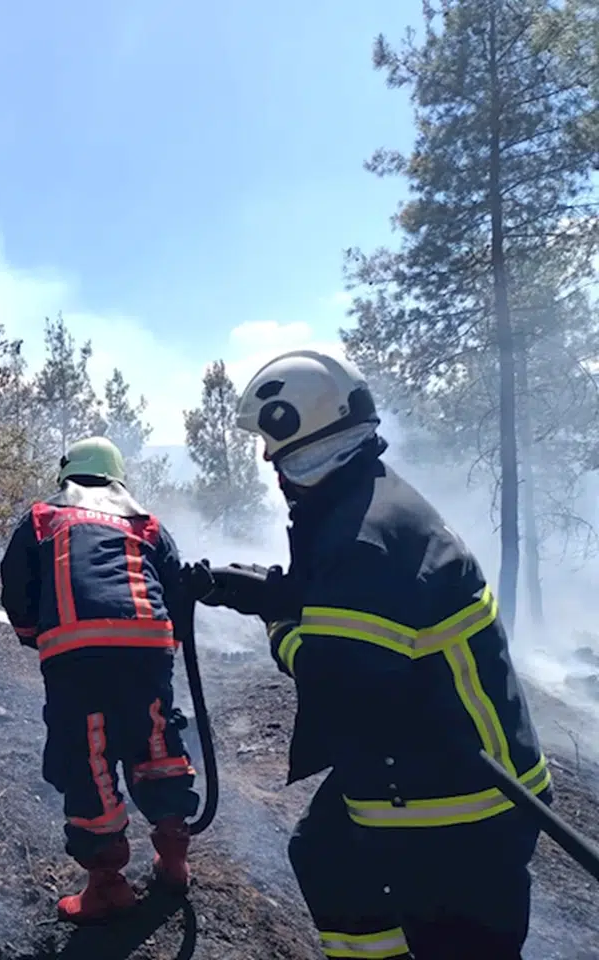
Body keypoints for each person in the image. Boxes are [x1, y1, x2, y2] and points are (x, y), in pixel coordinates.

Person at [198, 349, 551, 960]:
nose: (266, 459)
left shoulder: (364, 539)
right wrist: (275, 590)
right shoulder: (365, 500)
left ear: (300, 434)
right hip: (431, 758)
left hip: (460, 797)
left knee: (450, 939)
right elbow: (354, 604)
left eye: (270, 442)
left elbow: (333, 676)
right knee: (326, 854)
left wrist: (279, 620)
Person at [0, 436, 200, 924]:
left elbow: (16, 586)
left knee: (86, 753)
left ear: (68, 473)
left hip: (77, 651)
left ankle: (107, 884)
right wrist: (160, 648)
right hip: (148, 643)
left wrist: (35, 634)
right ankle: (173, 857)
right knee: (155, 737)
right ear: (116, 477)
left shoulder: (45, 516)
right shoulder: (146, 522)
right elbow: (176, 589)